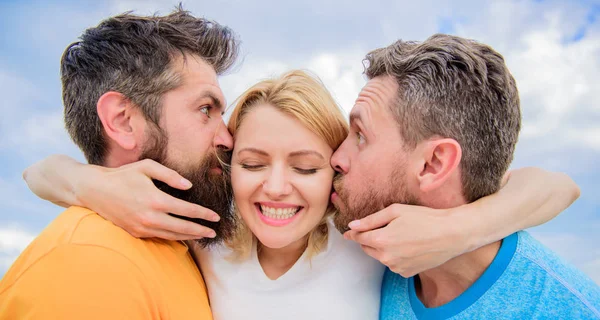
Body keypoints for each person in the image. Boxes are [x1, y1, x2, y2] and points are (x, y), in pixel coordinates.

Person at [22, 58, 580, 320]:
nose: (277, 188)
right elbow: (37, 172)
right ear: (228, 164)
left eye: (307, 167)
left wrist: (459, 227)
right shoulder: (205, 237)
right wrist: (91, 183)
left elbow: (554, 185)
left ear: (335, 172)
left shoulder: (367, 240)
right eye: (254, 162)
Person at [328, 34, 600, 319]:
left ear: (433, 163)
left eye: (360, 136)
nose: (336, 157)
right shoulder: (370, 261)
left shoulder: (568, 309)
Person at [0, 8, 239, 320]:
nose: (228, 139)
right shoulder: (89, 264)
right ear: (123, 121)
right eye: (205, 108)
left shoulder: (182, 248)